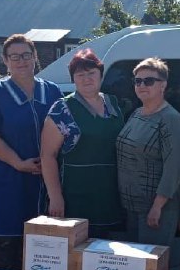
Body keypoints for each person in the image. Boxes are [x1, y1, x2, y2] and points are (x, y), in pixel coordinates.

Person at [0, 34, 62, 270]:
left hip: (44, 182)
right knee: (7, 253)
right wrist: (18, 163)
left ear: (35, 57)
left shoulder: (52, 92)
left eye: (26, 55)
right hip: (6, 182)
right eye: (15, 56)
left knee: (42, 257)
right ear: (5, 60)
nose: (21, 61)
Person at [41, 49, 124, 237]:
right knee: (76, 255)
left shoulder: (113, 104)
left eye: (91, 73)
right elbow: (47, 156)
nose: (87, 79)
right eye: (80, 74)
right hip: (76, 196)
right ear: (73, 79)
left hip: (110, 194)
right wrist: (55, 197)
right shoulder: (62, 108)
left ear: (101, 75)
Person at [115, 58, 180, 247]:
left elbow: (174, 168)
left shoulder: (170, 119)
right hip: (130, 207)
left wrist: (157, 207)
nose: (141, 85)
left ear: (163, 85)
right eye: (137, 81)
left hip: (155, 210)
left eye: (149, 81)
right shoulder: (137, 113)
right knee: (133, 268)